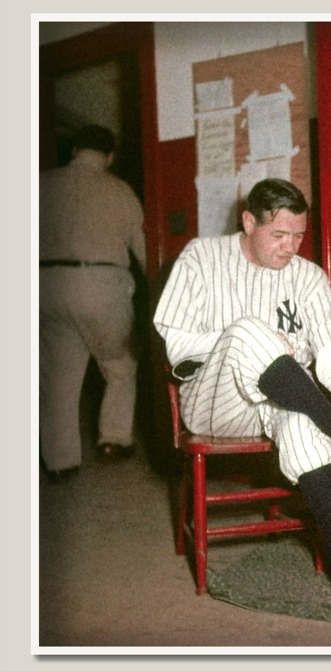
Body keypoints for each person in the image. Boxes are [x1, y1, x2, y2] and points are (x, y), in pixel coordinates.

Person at [153, 178, 331, 647]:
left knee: (306, 428)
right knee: (251, 331)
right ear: (249, 222)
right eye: (278, 236)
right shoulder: (201, 258)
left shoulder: (307, 277)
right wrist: (253, 339)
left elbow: (330, 363)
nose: (290, 248)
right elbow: (180, 348)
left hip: (282, 398)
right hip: (213, 400)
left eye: (298, 237)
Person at [39, 124, 146, 481]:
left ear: (74, 151)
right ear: (110, 156)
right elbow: (143, 251)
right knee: (120, 364)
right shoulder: (120, 190)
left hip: (46, 283)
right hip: (102, 284)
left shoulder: (42, 184)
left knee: (58, 376)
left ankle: (60, 462)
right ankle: (113, 440)